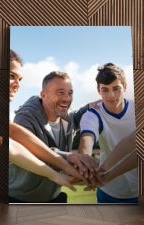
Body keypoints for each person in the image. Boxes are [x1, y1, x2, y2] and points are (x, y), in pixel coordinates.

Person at [10, 70, 95, 203]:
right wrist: (69, 156)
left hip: (54, 198)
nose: (67, 98)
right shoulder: (24, 117)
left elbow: (78, 114)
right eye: (60, 92)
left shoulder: (68, 118)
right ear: (43, 95)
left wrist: (97, 105)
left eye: (70, 93)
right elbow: (31, 150)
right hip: (20, 199)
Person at [78, 63, 138, 203]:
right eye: (105, 90)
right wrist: (86, 166)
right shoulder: (93, 114)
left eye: (116, 88)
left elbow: (137, 145)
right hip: (109, 193)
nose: (111, 95)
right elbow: (87, 138)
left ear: (125, 86)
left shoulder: (140, 109)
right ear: (98, 90)